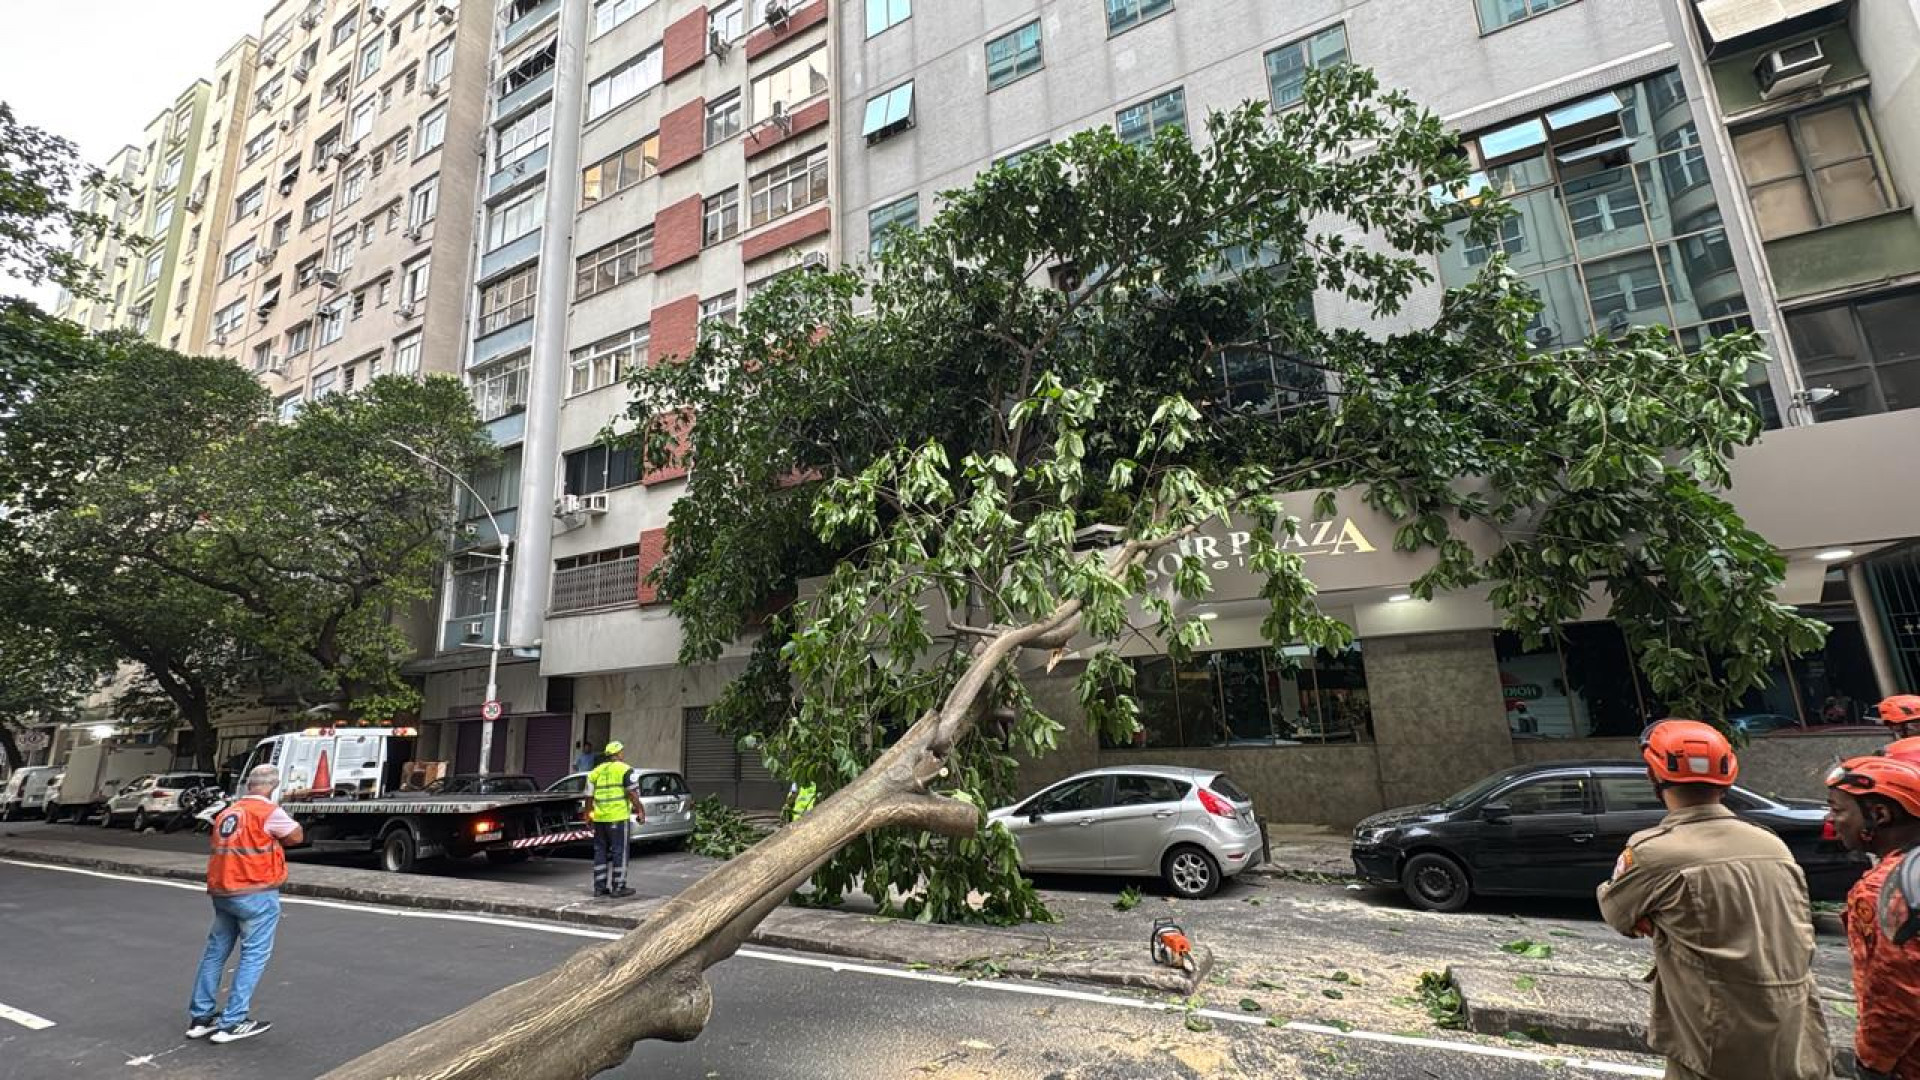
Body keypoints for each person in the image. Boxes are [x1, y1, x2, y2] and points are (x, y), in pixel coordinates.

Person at [1596, 719, 1829, 1080]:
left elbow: (1616, 913)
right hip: (1795, 1035)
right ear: (1728, 777)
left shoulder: (1652, 852)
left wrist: (1656, 917)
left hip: (1714, 1041)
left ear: (1653, 778)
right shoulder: (1772, 846)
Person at [187, 764, 303, 1045]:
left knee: (215, 952)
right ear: (273, 786)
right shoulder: (268, 812)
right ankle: (233, 1021)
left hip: (223, 890)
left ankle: (201, 1017)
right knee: (254, 955)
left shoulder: (228, 812)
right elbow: (296, 836)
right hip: (256, 891)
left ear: (249, 784)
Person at [1824, 756, 1920, 1080]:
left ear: (1878, 815)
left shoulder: (1882, 890)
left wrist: (1870, 1064)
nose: (1831, 819)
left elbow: (1897, 998)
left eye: (1838, 810)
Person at [586, 741, 644, 899]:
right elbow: (632, 793)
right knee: (620, 851)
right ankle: (618, 887)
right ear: (618, 754)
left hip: (600, 818)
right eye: (622, 752)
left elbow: (589, 796)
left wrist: (588, 814)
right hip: (618, 818)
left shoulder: (596, 771)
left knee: (600, 852)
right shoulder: (625, 769)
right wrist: (640, 810)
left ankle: (599, 887)